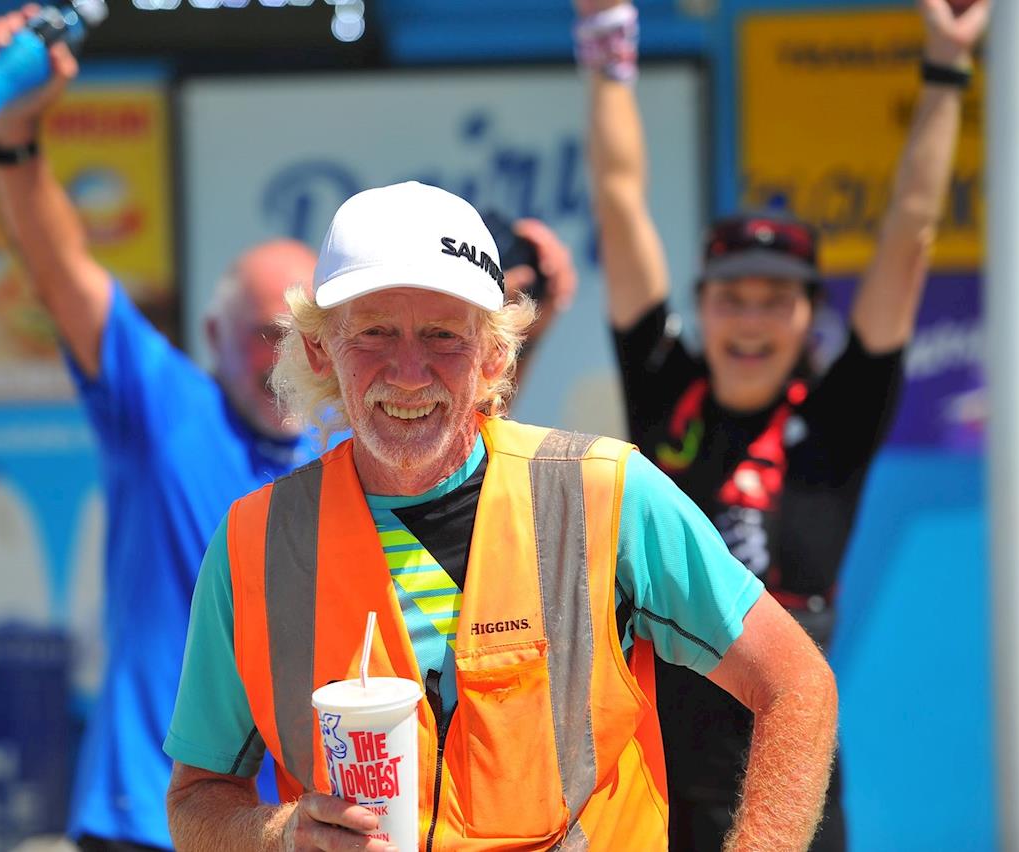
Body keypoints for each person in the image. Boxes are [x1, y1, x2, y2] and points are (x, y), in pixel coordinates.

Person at [0, 10, 577, 850]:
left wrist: (530, 324)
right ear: (210, 335)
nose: (282, 357)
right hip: (147, 817)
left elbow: (464, 444)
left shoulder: (354, 449)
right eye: (262, 333)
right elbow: (58, 268)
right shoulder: (165, 414)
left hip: (292, 826)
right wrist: (14, 142)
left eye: (301, 335)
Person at [163, 180, 837, 851]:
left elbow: (797, 683)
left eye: (442, 335)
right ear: (320, 350)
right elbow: (197, 799)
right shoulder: (255, 542)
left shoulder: (605, 495)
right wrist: (282, 835)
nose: (408, 372)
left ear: (493, 353)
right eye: (374, 333)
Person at [573, 0, 990, 847]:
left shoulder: (837, 419)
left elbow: (910, 232)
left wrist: (947, 68)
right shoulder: (665, 390)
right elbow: (619, 202)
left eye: (777, 300)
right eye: (732, 297)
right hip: (655, 790)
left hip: (792, 794)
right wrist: (606, 36)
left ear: (808, 319)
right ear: (701, 307)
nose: (752, 320)